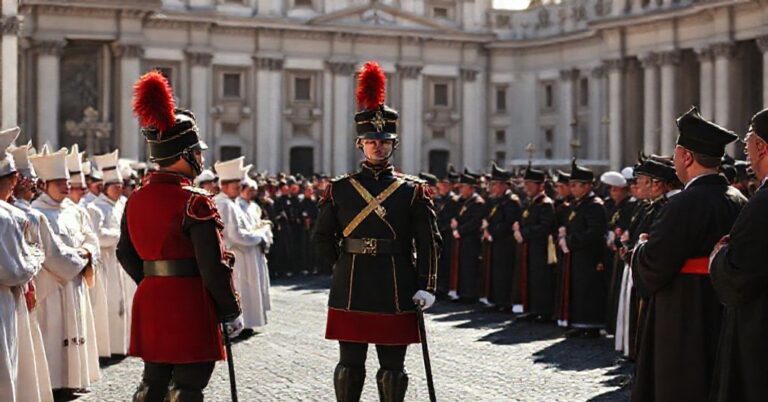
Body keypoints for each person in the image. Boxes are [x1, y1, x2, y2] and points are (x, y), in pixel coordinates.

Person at [313, 61, 440, 402]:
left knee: (393, 367)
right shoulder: (340, 189)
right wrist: (340, 266)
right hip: (351, 283)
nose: (377, 147)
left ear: (393, 144)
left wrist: (426, 284)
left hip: (396, 282)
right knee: (349, 364)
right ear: (360, 144)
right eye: (371, 141)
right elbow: (322, 237)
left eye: (384, 141)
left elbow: (429, 241)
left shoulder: (412, 190)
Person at [116, 71, 242, 402]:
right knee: (188, 385)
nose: (201, 159)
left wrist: (153, 281)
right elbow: (212, 265)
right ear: (184, 154)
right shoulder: (195, 201)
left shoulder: (136, 198)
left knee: (153, 382)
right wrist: (230, 309)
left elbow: (124, 253)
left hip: (151, 298)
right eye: (197, 152)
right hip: (189, 301)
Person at [630, 107, 747, 402]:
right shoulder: (740, 199)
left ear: (686, 157)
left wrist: (641, 247)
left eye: (675, 154)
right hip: (725, 309)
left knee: (682, 382)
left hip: (683, 312)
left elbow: (655, 263)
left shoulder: (683, 204)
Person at [30, 146, 101, 396]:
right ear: (43, 184)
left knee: (76, 330)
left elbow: (92, 239)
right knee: (53, 332)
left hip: (75, 281)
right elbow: (52, 254)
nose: (66, 186)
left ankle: (74, 381)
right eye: (59, 182)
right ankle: (54, 383)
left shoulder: (75, 210)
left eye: (67, 181)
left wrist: (87, 252)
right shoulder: (37, 213)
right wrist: (79, 259)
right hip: (53, 283)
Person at [709, 108, 768, 402]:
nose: (745, 149)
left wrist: (719, 255)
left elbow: (739, 276)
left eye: (747, 141)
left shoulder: (763, 203)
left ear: (762, 147)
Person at [214, 157, 270, 330]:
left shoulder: (232, 203)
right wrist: (258, 237)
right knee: (242, 288)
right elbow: (235, 235)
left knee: (247, 288)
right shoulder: (224, 204)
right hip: (238, 253)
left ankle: (246, 323)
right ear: (224, 186)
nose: (239, 191)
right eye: (235, 187)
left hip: (245, 253)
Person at [557, 159, 608, 337]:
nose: (571, 188)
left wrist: (570, 241)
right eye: (571, 185)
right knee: (578, 289)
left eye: (575, 185)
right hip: (577, 254)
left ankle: (591, 325)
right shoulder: (578, 203)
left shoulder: (594, 205)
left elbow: (594, 232)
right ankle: (579, 323)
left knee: (588, 290)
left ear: (587, 186)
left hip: (589, 255)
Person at [513, 163, 556, 318]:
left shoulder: (545, 204)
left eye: (530, 184)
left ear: (540, 186)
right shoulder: (530, 202)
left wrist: (524, 233)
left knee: (540, 279)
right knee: (529, 277)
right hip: (529, 247)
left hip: (541, 248)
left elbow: (545, 227)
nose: (527, 187)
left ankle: (542, 311)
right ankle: (530, 308)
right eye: (526, 184)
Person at [482, 163, 521, 311]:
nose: (492, 188)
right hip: (496, 242)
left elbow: (508, 223)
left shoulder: (511, 201)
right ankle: (497, 300)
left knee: (504, 273)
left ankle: (505, 302)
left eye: (495, 184)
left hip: (506, 243)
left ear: (504, 185)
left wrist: (492, 232)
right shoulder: (498, 199)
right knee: (497, 273)